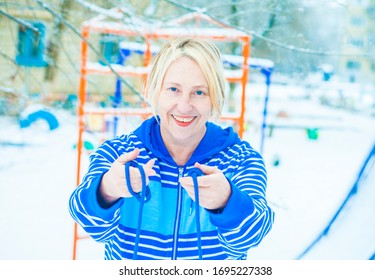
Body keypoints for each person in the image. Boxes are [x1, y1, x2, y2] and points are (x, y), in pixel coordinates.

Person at [69, 37, 274, 260]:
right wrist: (107, 190)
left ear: (215, 97)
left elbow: (251, 237)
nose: (184, 106)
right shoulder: (118, 154)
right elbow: (91, 225)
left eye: (199, 92)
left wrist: (227, 201)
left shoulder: (241, 160)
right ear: (154, 91)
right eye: (174, 89)